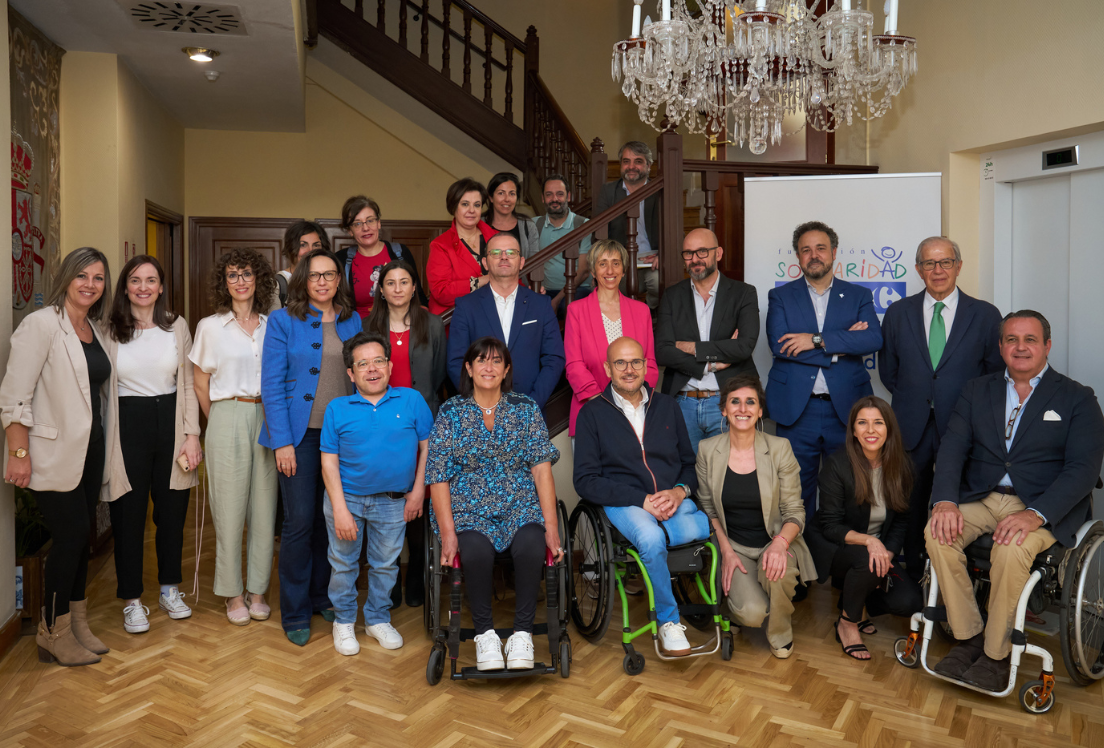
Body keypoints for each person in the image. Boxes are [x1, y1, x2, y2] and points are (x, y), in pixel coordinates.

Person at [926, 310, 1104, 691]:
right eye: (1012, 339)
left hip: (1042, 505)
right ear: (1001, 346)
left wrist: (1036, 514)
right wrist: (944, 501)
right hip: (983, 497)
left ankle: (996, 654)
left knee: (1011, 548)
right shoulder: (977, 390)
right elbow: (952, 447)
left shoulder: (1077, 398)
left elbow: (1083, 469)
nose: (1020, 347)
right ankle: (969, 636)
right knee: (937, 534)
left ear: (1047, 346)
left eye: (1030, 340)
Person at [1, 248, 126, 666]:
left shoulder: (93, 328)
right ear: (66, 278)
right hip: (50, 453)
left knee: (80, 537)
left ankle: (76, 624)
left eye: (98, 278)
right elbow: (14, 398)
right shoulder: (40, 325)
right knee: (70, 535)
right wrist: (18, 453)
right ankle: (52, 631)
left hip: (90, 451)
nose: (90, 284)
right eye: (82, 276)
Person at [427, 337, 564, 671]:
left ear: (506, 370)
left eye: (496, 361)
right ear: (469, 368)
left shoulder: (525, 408)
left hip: (519, 502)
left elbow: (542, 470)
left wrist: (551, 528)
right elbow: (438, 476)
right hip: (467, 507)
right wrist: (448, 533)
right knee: (475, 552)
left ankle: (522, 635)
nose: (488, 367)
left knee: (531, 544)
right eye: (481, 360)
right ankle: (485, 636)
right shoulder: (451, 412)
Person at [574, 337, 709, 657]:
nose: (629, 369)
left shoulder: (668, 406)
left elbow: (688, 464)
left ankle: (660, 539)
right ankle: (669, 621)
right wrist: (642, 500)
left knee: (706, 526)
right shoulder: (592, 413)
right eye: (620, 363)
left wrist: (678, 491)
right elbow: (585, 481)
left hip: (671, 499)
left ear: (646, 365)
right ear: (608, 368)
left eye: (636, 362)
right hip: (626, 503)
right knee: (650, 538)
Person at [879, 236, 1003, 581]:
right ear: (918, 269)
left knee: (959, 504)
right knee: (909, 504)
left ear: (958, 266)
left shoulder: (985, 315)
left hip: (964, 427)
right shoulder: (898, 313)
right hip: (911, 427)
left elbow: (994, 374)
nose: (938, 270)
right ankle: (912, 577)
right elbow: (889, 372)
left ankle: (955, 580)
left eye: (945, 262)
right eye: (929, 263)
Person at [260, 248, 363, 646]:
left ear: (339, 280)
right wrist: (282, 442)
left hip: (343, 437)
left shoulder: (353, 320)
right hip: (299, 437)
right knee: (300, 521)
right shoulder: (283, 321)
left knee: (330, 519)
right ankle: (295, 610)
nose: (322, 281)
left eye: (330, 274)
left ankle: (323, 596)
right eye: (315, 274)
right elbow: (271, 384)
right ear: (303, 279)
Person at [103, 255, 202, 633]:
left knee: (172, 513)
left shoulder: (176, 325)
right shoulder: (108, 328)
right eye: (135, 280)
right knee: (128, 517)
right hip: (127, 426)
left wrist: (192, 435)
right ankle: (131, 600)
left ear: (161, 287)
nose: (143, 287)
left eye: (150, 280)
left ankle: (169, 589)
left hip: (171, 424)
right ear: (125, 287)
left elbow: (188, 384)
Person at [320, 332, 432, 656]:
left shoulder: (412, 400)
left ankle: (377, 619)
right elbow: (328, 462)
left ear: (390, 366)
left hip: (394, 501)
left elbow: (429, 448)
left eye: (378, 361)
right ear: (351, 373)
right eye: (363, 364)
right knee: (343, 564)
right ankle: (343, 621)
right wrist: (340, 509)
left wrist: (418, 491)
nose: (372, 369)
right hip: (347, 500)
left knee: (385, 565)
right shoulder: (337, 408)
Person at [765, 220, 883, 519]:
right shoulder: (780, 296)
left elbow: (872, 339)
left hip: (846, 409)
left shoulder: (858, 295)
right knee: (795, 490)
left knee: (848, 487)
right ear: (798, 256)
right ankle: (799, 546)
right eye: (806, 250)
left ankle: (843, 545)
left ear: (834, 252)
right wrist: (840, 347)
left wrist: (814, 340)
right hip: (797, 410)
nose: (814, 255)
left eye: (820, 248)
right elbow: (780, 347)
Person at [695, 375, 817, 659]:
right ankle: (740, 606)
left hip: (774, 540)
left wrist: (780, 544)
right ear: (723, 409)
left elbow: (795, 511)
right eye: (734, 402)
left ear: (760, 410)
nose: (743, 409)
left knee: (778, 573)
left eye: (750, 402)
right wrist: (726, 551)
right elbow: (707, 509)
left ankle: (781, 632)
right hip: (734, 546)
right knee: (752, 613)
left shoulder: (779, 448)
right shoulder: (707, 450)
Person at [191, 248, 279, 626]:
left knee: (265, 506)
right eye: (232, 275)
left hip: (268, 415)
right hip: (226, 412)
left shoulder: (273, 325)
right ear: (223, 282)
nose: (240, 281)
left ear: (258, 279)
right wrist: (220, 420)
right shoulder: (210, 327)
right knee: (228, 510)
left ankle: (257, 590)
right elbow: (200, 383)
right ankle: (232, 592)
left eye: (246, 273)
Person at [806, 397, 924, 661]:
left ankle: (853, 600)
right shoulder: (837, 465)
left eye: (878, 422)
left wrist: (887, 553)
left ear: (889, 428)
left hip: (877, 550)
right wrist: (871, 543)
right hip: (835, 545)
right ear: (853, 430)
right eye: (862, 423)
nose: (871, 430)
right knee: (868, 561)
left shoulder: (903, 467)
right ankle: (848, 623)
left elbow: (902, 520)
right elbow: (830, 525)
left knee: (909, 602)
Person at [362, 260, 447, 607]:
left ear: (414, 288)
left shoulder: (433, 324)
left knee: (420, 499)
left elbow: (438, 375)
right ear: (381, 290)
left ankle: (417, 577)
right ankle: (390, 576)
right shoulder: (368, 326)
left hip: (421, 424)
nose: (397, 289)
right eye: (390, 283)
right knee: (387, 501)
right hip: (380, 426)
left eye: (404, 282)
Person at [656, 228, 760, 453]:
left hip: (729, 403)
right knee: (685, 471)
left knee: (730, 471)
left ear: (718, 253)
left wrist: (692, 347)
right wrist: (709, 365)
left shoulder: (744, 293)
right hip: (682, 403)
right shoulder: (672, 296)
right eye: (688, 253)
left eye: (702, 251)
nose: (695, 259)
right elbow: (663, 351)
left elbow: (743, 346)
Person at [447, 232, 565, 410]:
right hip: (479, 413)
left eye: (511, 252)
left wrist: (531, 405)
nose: (504, 257)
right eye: (496, 252)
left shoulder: (541, 305)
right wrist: (480, 404)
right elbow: (456, 361)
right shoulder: (466, 306)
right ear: (485, 263)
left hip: (529, 411)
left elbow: (554, 359)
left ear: (522, 262)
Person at [564, 239, 655, 443]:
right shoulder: (576, 311)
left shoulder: (641, 311)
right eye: (602, 263)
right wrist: (606, 404)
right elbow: (574, 365)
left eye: (616, 263)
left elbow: (650, 363)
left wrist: (630, 401)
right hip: (591, 410)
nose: (610, 270)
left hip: (635, 413)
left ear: (624, 270)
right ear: (593, 271)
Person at [335, 195, 426, 317]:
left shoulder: (400, 253)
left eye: (370, 221)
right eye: (357, 224)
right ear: (350, 231)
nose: (365, 228)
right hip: (359, 328)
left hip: (400, 325)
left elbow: (419, 296)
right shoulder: (341, 259)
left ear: (378, 223)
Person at [595, 140, 661, 308]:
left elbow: (675, 231)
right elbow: (598, 232)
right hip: (620, 263)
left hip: (652, 263)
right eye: (626, 161)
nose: (631, 166)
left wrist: (663, 255)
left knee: (658, 282)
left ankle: (650, 311)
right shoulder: (609, 191)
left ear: (648, 166)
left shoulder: (660, 191)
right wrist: (610, 261)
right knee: (605, 287)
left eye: (638, 161)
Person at [426, 178, 497, 316]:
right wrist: (483, 280)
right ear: (454, 207)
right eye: (465, 204)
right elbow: (441, 291)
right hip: (455, 318)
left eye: (477, 205)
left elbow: (512, 276)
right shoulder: (440, 245)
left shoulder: (497, 238)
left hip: (493, 313)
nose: (472, 210)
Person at [531, 173, 592, 313]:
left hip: (578, 289)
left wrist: (556, 301)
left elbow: (583, 272)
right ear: (542, 198)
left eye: (560, 194)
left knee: (568, 307)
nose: (554, 199)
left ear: (568, 196)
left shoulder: (583, 225)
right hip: (545, 290)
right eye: (549, 195)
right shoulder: (534, 225)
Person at [485, 172, 540, 259]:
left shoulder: (528, 225)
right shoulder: (479, 224)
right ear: (491, 197)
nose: (507, 199)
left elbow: (535, 261)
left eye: (512, 194)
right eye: (501, 193)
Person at [276, 220, 330, 308]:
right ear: (291, 248)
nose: (310, 251)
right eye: (303, 245)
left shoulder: (329, 280)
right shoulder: (278, 284)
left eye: (316, 245)